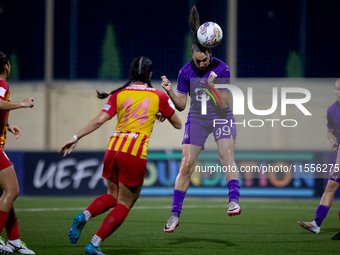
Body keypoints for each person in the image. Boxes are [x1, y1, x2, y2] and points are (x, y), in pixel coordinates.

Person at [58, 56, 182, 255]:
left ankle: (84, 215)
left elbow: (99, 120)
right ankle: (95, 243)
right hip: (133, 153)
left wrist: (76, 137)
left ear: (131, 74)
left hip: (113, 149)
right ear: (150, 75)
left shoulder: (119, 94)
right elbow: (178, 124)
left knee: (112, 196)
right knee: (124, 203)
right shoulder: (158, 96)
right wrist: (162, 113)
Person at [162, 6, 241, 233]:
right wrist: (169, 92)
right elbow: (181, 105)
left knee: (226, 155)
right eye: (197, 61)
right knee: (186, 165)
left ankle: (233, 201)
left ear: (210, 54)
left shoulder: (222, 68)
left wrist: (212, 86)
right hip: (197, 118)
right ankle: (175, 215)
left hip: (220, 116)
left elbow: (225, 104)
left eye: (204, 61)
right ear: (193, 57)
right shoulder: (185, 72)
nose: (201, 65)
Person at [0, 52, 35, 254]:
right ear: (6, 67)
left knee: (6, 194)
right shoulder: (2, 85)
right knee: (12, 191)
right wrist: (22, 104)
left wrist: (8, 124)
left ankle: (14, 240)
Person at [298, 78, 340, 234]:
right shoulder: (332, 110)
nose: (338, 92)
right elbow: (330, 131)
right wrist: (334, 141)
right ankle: (316, 223)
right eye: (336, 89)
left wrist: (337, 166)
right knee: (330, 187)